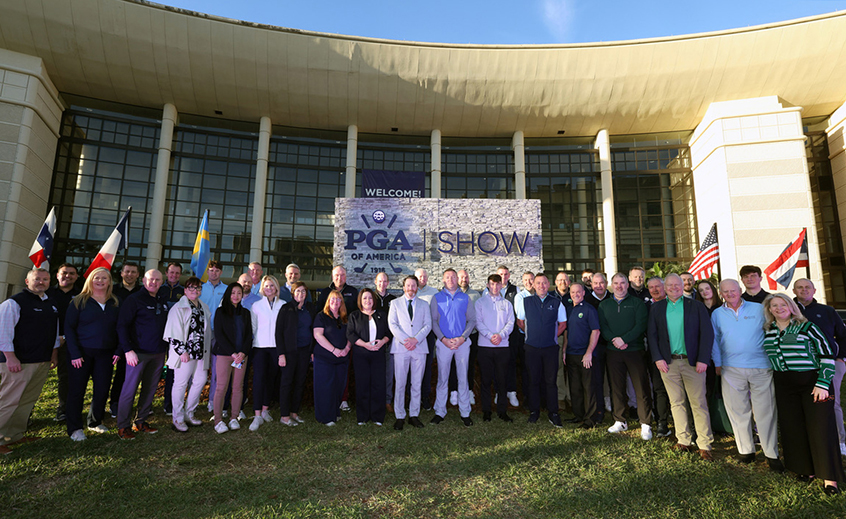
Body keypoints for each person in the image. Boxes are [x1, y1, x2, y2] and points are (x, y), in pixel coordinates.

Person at [762, 293, 844, 495]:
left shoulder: (808, 327)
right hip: (784, 383)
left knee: (821, 428)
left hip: (812, 382)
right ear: (769, 310)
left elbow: (827, 354)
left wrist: (823, 384)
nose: (779, 308)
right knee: (793, 427)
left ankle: (829, 477)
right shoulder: (769, 331)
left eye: (783, 304)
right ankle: (804, 470)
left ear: (791, 307)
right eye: (774, 306)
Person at [711, 279, 782, 470]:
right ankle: (746, 450)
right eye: (725, 292)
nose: (730, 294)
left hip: (761, 366)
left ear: (740, 290)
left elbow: (772, 331)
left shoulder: (759, 309)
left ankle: (771, 453)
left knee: (765, 410)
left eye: (733, 290)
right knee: (737, 410)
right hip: (730, 368)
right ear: (721, 294)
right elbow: (715, 340)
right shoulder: (717, 314)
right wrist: (718, 363)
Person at [647, 274, 715, 460]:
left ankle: (704, 444)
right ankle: (683, 440)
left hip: (693, 363)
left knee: (698, 403)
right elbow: (652, 335)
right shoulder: (657, 308)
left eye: (677, 284)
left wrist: (703, 359)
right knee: (676, 402)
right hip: (668, 363)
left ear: (682, 286)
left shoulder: (696, 306)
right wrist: (658, 358)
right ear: (664, 287)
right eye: (670, 285)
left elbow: (707, 334)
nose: (674, 288)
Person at [0, 268, 59, 454]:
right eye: (37, 279)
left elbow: (55, 333)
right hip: (18, 363)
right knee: (8, 401)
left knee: (26, 401)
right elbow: (3, 333)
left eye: (45, 279)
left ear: (49, 282)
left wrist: (54, 354)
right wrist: (10, 357)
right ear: (27, 281)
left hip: (40, 361)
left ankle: (14, 435)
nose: (41, 282)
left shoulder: (50, 304)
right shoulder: (14, 303)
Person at [64, 267, 119, 441]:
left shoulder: (115, 302)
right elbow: (69, 329)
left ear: (109, 281)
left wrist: (118, 350)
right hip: (81, 354)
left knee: (102, 389)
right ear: (90, 280)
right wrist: (74, 353)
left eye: (104, 278)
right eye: (97, 277)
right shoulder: (79, 301)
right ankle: (74, 428)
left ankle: (95, 422)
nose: (100, 281)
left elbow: (121, 329)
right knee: (76, 390)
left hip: (105, 354)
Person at [793, 278, 846, 455]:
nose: (804, 290)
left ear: (814, 290)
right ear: (794, 291)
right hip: (799, 365)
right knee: (804, 403)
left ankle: (840, 440)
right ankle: (808, 439)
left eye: (807, 287)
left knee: (832, 401)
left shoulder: (827, 311)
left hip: (829, 362)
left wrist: (840, 358)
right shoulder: (788, 310)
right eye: (800, 287)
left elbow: (843, 335)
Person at [598, 273, 653, 440]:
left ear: (627, 284)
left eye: (622, 283)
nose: (619, 286)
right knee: (616, 387)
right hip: (613, 351)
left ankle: (646, 423)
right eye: (616, 283)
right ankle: (620, 420)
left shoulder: (637, 303)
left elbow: (641, 325)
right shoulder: (604, 305)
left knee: (641, 387)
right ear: (611, 285)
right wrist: (615, 341)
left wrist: (625, 339)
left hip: (634, 350)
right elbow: (603, 327)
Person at [115, 269, 168, 439]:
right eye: (151, 279)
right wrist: (128, 350)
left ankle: (140, 421)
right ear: (144, 281)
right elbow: (122, 326)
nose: (154, 283)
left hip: (158, 352)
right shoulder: (134, 300)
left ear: (162, 282)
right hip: (137, 353)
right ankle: (123, 426)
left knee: (150, 389)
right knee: (129, 390)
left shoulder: (161, 299)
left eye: (157, 280)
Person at [515, 273, 567, 428]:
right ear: (534, 285)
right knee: (533, 381)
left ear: (548, 284)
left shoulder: (557, 302)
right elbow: (520, 321)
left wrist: (550, 336)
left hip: (550, 348)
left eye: (544, 283)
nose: (541, 286)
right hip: (531, 348)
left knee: (551, 382)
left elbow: (563, 324)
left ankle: (553, 413)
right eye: (538, 283)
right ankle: (534, 411)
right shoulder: (526, 301)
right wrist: (532, 334)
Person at [163, 276, 212, 433]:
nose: (195, 291)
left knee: (200, 380)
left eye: (198, 288)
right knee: (181, 383)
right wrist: (181, 350)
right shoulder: (178, 308)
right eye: (191, 288)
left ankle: (189, 413)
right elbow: (172, 332)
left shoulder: (203, 307)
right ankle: (177, 417)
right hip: (185, 353)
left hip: (200, 352)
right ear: (185, 290)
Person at [430, 269, 476, 427]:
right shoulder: (437, 298)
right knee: (442, 379)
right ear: (443, 279)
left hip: (462, 344)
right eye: (447, 277)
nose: (450, 279)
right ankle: (439, 412)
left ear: (457, 279)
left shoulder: (465, 298)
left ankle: (465, 412)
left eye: (453, 277)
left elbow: (472, 320)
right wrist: (442, 339)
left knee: (463, 378)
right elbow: (433, 321)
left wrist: (463, 338)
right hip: (444, 344)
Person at [388, 275, 432, 430]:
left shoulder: (424, 304)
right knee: (400, 383)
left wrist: (416, 340)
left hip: (419, 349)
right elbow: (393, 325)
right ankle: (399, 416)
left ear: (417, 287)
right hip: (401, 348)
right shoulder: (394, 303)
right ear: (403, 287)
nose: (411, 288)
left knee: (416, 383)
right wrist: (406, 340)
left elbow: (428, 325)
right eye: (408, 285)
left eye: (414, 285)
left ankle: (414, 415)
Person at [212, 282, 252, 434]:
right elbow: (219, 335)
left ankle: (234, 417)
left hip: (241, 356)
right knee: (221, 387)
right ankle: (218, 420)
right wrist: (232, 353)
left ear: (242, 296)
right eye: (233, 293)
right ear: (228, 294)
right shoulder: (221, 312)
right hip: (225, 355)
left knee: (237, 387)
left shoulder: (246, 313)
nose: (236, 296)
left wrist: (243, 352)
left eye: (239, 293)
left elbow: (249, 335)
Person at [347, 288, 391, 425]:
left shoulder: (382, 315)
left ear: (374, 300)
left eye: (370, 298)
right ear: (360, 300)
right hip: (361, 355)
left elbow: (389, 333)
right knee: (363, 384)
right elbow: (350, 334)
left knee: (378, 384)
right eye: (365, 298)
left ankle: (377, 416)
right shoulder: (354, 316)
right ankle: (363, 416)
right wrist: (365, 345)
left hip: (378, 355)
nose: (368, 301)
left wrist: (383, 341)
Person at [475, 274, 515, 422]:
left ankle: (502, 411)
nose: (495, 287)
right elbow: (478, 322)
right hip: (485, 346)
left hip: (502, 347)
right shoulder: (480, 303)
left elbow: (510, 323)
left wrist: (500, 335)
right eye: (492, 284)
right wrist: (491, 335)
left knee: (502, 380)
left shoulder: (507, 304)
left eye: (497, 284)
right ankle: (486, 411)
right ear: (487, 285)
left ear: (501, 285)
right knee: (485, 380)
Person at [276, 281, 316, 426]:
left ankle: (294, 412)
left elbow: (313, 330)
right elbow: (279, 332)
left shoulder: (310, 309)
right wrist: (281, 353)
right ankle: (285, 416)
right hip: (289, 352)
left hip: (305, 351)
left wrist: (312, 350)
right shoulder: (286, 308)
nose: (301, 294)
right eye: (298, 291)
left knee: (300, 382)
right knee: (286, 383)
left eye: (304, 291)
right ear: (293, 293)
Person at [248, 275, 285, 431]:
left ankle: (265, 410)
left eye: (272, 286)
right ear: (262, 288)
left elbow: (284, 329)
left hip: (276, 348)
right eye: (266, 286)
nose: (269, 288)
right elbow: (253, 328)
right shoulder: (256, 306)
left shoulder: (283, 305)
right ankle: (256, 415)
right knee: (258, 380)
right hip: (260, 347)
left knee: (271, 379)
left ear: (276, 288)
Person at [46, 263, 80, 422]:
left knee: (64, 377)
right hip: (44, 341)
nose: (68, 276)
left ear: (77, 277)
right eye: (64, 273)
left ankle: (63, 409)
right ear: (57, 275)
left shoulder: (80, 295)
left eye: (72, 274)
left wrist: (65, 337)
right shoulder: (47, 293)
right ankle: (26, 414)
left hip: (68, 341)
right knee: (34, 378)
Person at [564, 282, 601, 429]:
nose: (575, 294)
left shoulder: (589, 309)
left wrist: (589, 353)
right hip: (571, 354)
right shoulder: (568, 309)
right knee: (575, 388)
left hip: (585, 356)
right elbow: (566, 332)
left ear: (583, 293)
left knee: (588, 388)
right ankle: (578, 415)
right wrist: (564, 351)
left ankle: (590, 419)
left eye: (578, 292)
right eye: (572, 292)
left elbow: (596, 331)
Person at [313, 290, 351, 426]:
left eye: (338, 300)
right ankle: (325, 417)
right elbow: (318, 335)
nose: (335, 302)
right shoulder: (321, 316)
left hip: (342, 358)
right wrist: (334, 350)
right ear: (328, 301)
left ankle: (334, 412)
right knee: (325, 387)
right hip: (325, 358)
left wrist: (346, 349)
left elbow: (350, 336)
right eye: (332, 300)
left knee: (338, 386)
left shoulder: (345, 318)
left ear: (342, 302)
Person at [108, 261, 141, 417]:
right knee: (107, 374)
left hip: (132, 339)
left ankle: (119, 403)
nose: (130, 274)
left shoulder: (142, 291)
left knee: (124, 373)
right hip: (111, 336)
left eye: (133, 272)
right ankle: (110, 402)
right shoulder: (112, 290)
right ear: (121, 273)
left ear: (138, 275)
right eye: (127, 271)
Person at [643, 276, 672, 438]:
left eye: (658, 286)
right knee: (658, 388)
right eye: (651, 287)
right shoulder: (646, 306)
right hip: (654, 354)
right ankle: (662, 422)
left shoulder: (674, 304)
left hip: (674, 353)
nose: (655, 290)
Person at [451, 269, 481, 407]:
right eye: (461, 277)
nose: (464, 279)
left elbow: (477, 317)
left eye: (466, 277)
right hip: (453, 337)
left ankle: (468, 391)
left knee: (469, 365)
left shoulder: (475, 295)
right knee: (453, 365)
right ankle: (454, 391)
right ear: (457, 278)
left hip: (471, 336)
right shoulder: (451, 294)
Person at [201, 260, 228, 413]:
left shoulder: (226, 289)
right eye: (211, 270)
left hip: (219, 334)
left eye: (217, 270)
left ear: (221, 272)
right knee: (199, 369)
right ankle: (193, 400)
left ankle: (213, 400)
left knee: (217, 371)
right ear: (208, 272)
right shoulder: (200, 288)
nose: (214, 273)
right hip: (202, 334)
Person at [158, 261, 184, 417]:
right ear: (166, 273)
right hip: (158, 337)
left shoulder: (184, 291)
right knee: (154, 371)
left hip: (176, 338)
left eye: (177, 273)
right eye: (171, 272)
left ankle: (168, 403)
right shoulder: (158, 289)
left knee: (173, 372)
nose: (174, 275)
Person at [496, 265, 522, 409]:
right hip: (495, 336)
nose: (503, 276)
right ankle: (499, 392)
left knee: (511, 362)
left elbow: (517, 313)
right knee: (497, 364)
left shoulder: (516, 290)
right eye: (500, 274)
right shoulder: (490, 290)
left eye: (505, 274)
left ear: (509, 275)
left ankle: (511, 391)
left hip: (511, 334)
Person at [415, 268, 439, 411]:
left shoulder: (434, 292)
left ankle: (425, 397)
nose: (422, 278)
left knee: (427, 366)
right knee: (413, 367)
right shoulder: (410, 290)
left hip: (428, 334)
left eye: (424, 276)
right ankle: (412, 397)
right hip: (412, 335)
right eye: (420, 276)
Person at [374, 272, 396, 409]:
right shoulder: (370, 298)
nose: (382, 284)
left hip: (389, 342)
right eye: (380, 281)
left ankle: (387, 400)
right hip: (373, 342)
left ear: (388, 283)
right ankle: (375, 400)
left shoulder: (393, 300)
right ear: (375, 282)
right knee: (375, 372)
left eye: (385, 281)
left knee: (389, 372)